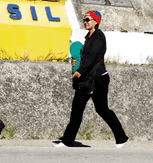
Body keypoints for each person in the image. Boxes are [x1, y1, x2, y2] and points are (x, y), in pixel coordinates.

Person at [54, 10, 129, 148]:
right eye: (84, 20)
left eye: (88, 19)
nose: (85, 22)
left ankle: (121, 137)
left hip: (98, 79)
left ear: (96, 21)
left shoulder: (99, 37)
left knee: (102, 109)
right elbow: (84, 57)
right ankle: (67, 140)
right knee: (77, 109)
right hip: (87, 79)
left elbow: (92, 57)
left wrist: (79, 71)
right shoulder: (89, 37)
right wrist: (76, 64)